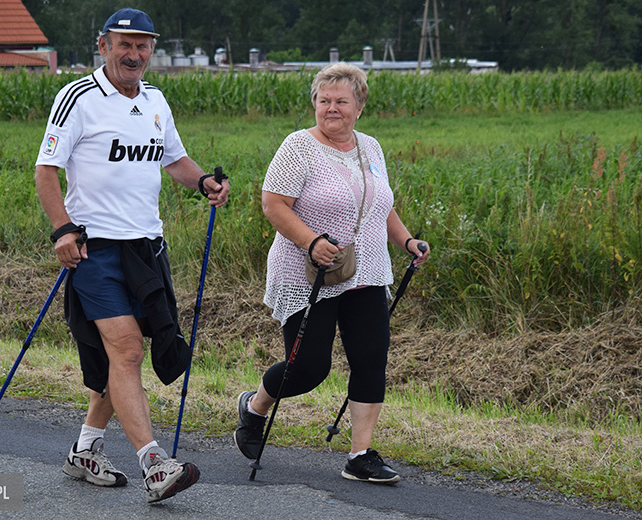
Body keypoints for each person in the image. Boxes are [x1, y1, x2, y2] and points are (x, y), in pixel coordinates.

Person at [35, 8, 229, 503]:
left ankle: (85, 448)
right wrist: (62, 230)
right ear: (104, 47)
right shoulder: (78, 97)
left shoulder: (156, 100)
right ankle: (154, 464)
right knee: (125, 350)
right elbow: (47, 170)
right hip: (94, 249)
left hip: (146, 248)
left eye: (143, 46)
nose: (134, 54)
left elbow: (175, 161)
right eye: (125, 44)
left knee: (119, 355)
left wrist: (204, 181)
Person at [234, 62, 430, 483]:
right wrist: (311, 241)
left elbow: (380, 205)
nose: (332, 108)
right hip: (308, 272)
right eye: (324, 101)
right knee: (307, 369)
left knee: (370, 359)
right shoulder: (298, 147)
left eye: (342, 101)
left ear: (359, 106)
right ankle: (254, 407)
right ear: (315, 105)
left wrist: (407, 241)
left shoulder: (370, 147)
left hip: (368, 270)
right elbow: (273, 204)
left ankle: (360, 454)